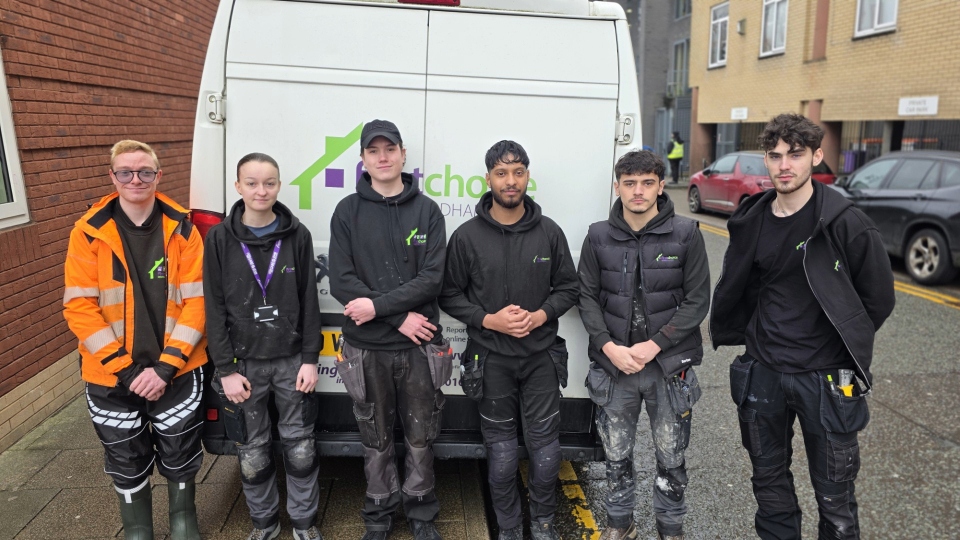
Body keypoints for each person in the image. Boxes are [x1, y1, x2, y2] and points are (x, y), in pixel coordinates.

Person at [711, 113, 896, 540]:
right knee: (769, 487)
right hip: (764, 372)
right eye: (775, 156)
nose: (784, 165)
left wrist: (841, 343)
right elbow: (746, 286)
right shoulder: (752, 220)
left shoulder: (844, 222)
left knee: (835, 499)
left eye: (795, 154)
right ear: (766, 160)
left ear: (816, 156)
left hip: (826, 378)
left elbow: (878, 298)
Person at [63, 140, 207, 540]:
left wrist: (165, 368)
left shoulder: (184, 228)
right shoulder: (88, 233)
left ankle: (182, 523)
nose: (135, 179)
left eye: (145, 172)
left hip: (176, 369)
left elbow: (198, 303)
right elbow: (79, 308)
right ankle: (138, 530)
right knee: (125, 455)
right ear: (112, 177)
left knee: (180, 451)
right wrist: (127, 371)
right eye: (125, 172)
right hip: (112, 375)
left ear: (158, 176)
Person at [439, 140, 579, 540]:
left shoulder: (549, 232)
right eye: (501, 173)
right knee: (500, 456)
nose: (510, 180)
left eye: (518, 172)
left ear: (527, 176)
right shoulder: (466, 237)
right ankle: (510, 528)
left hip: (541, 358)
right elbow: (449, 295)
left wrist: (540, 315)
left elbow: (569, 289)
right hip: (491, 359)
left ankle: (544, 523)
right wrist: (489, 320)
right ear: (488, 179)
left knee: (546, 451)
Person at [577, 150, 710, 540]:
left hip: (668, 368)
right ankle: (621, 526)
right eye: (630, 183)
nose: (638, 191)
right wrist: (609, 347)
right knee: (616, 457)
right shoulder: (598, 235)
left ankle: (670, 529)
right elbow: (586, 297)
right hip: (615, 368)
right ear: (617, 186)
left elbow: (697, 300)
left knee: (671, 457)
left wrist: (655, 345)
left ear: (661, 186)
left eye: (647, 183)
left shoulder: (686, 233)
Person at [328, 119, 449, 540]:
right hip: (366, 348)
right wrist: (396, 315)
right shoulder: (347, 211)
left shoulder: (428, 211)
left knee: (421, 435)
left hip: (420, 348)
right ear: (362, 158)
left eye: (390, 149)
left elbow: (432, 278)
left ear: (402, 155)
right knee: (375, 437)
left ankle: (421, 514)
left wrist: (376, 306)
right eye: (373, 150)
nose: (383, 157)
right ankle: (378, 514)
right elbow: (342, 281)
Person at [203, 153, 323, 540]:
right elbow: (214, 306)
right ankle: (264, 525)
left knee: (301, 449)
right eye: (252, 183)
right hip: (243, 366)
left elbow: (309, 301)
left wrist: (310, 359)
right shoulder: (220, 239)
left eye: (269, 182)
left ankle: (304, 525)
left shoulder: (297, 235)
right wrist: (225, 370)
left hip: (291, 363)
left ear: (278, 185)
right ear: (237, 187)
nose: (261, 190)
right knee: (253, 454)